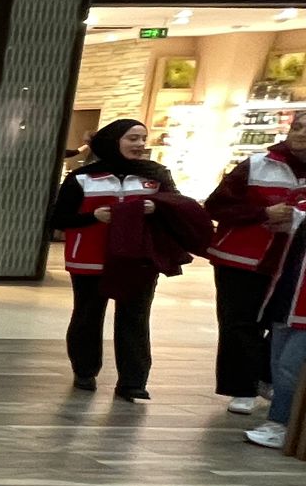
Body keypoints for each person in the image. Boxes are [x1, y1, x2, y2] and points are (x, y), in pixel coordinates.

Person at [49, 120, 176, 401]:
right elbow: (58, 219)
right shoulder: (82, 178)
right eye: (132, 138)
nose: (140, 144)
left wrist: (158, 207)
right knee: (87, 315)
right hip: (90, 258)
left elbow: (178, 208)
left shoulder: (157, 175)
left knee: (135, 318)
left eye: (143, 138)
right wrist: (92, 217)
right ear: (113, 140)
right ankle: (85, 370)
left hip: (138, 259)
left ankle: (133, 381)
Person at [205, 115, 306, 415]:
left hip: (294, 265)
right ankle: (241, 388)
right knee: (239, 323)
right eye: (297, 127)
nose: (300, 134)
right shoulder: (257, 164)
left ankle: (265, 376)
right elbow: (216, 205)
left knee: (281, 323)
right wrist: (262, 213)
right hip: (241, 259)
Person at [247, 201, 306, 448]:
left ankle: (282, 424)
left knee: (289, 367)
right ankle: (280, 423)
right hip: (285, 298)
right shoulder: (301, 206)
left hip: (301, 306)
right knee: (278, 365)